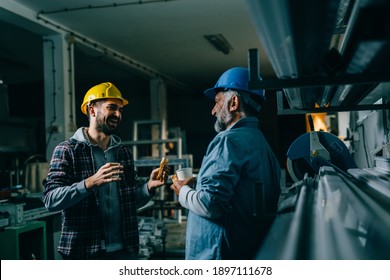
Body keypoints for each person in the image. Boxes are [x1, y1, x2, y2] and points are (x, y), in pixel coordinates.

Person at [43, 82, 167, 260]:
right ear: (92, 110)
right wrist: (89, 183)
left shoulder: (123, 152)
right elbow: (50, 200)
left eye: (120, 110)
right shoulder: (68, 150)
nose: (118, 114)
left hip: (123, 251)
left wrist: (148, 187)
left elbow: (128, 204)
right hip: (83, 253)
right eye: (112, 108)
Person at [170, 67, 281, 260]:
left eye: (217, 101)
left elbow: (210, 204)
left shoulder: (228, 141)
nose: (213, 110)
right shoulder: (261, 143)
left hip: (218, 255)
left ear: (234, 103)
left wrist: (183, 192)